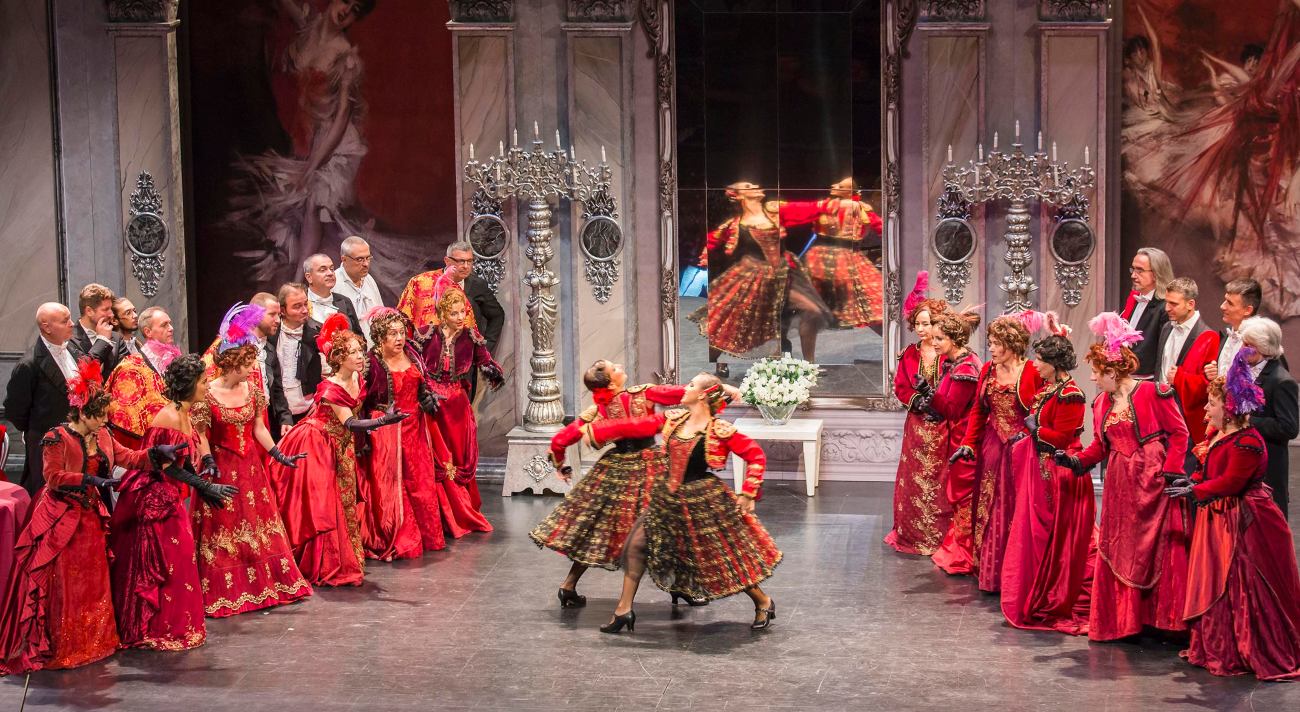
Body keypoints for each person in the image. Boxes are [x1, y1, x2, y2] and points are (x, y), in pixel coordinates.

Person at [0, 358, 185, 673]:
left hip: (89, 518)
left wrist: (154, 454)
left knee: (92, 580)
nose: (104, 421)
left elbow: (128, 457)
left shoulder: (102, 436)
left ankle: (94, 642)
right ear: (83, 413)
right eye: (100, 416)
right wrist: (89, 480)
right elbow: (53, 477)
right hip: (61, 517)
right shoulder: (56, 438)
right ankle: (65, 644)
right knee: (66, 582)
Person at [584, 373, 780, 633]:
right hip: (666, 497)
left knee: (718, 557)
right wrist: (593, 430)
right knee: (635, 547)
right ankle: (623, 610)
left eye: (691, 385)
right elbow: (635, 426)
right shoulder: (674, 420)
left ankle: (762, 600)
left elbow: (755, 456)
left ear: (702, 395)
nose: (685, 388)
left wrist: (748, 492)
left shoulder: (718, 430)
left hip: (700, 499)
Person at [532, 361, 725, 607]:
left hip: (615, 468)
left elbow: (562, 438)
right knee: (672, 525)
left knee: (600, 529)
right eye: (614, 368)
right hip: (651, 466)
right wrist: (714, 391)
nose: (620, 365)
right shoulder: (642, 393)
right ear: (611, 383)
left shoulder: (596, 410)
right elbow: (679, 393)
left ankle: (568, 585)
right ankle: (680, 586)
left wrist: (560, 464)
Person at [1054, 312, 1190, 642]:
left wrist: (1171, 470)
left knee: (1154, 547)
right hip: (1119, 482)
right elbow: (1101, 447)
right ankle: (1125, 620)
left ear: (1113, 372)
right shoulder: (1101, 402)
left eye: (1097, 373)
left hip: (1151, 477)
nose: (1093, 379)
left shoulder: (1153, 392)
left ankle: (1160, 620)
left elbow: (1180, 433)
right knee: (1121, 547)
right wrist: (1075, 461)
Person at [1169, 352, 1300, 680]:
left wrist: (1196, 491)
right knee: (1217, 580)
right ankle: (1217, 643)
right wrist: (1193, 480)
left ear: (1229, 409)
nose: (1207, 408)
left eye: (1212, 403)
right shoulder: (1218, 434)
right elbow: (1210, 470)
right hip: (1219, 514)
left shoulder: (1247, 441)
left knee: (1241, 584)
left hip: (1245, 521)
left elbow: (1232, 482)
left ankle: (1244, 647)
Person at [190, 303, 312, 617]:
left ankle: (265, 585)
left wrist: (278, 454)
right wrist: (208, 461)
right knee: (224, 528)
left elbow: (258, 428)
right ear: (232, 364)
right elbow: (201, 434)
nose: (251, 369)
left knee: (258, 525)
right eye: (246, 364)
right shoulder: (208, 395)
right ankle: (228, 589)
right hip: (221, 468)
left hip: (250, 469)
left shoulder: (253, 390)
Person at [266, 315, 406, 586]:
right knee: (324, 504)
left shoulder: (357, 377)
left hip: (342, 444)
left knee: (345, 499)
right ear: (340, 358)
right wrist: (383, 422)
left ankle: (345, 556)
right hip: (318, 443)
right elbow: (350, 422)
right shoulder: (331, 389)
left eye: (360, 351)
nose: (360, 356)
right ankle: (324, 561)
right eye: (353, 352)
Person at [110, 355, 238, 650]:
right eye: (203, 382)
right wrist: (205, 486)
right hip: (153, 498)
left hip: (169, 495)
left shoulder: (184, 413)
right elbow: (167, 467)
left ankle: (176, 626)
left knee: (180, 559)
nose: (206, 386)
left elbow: (183, 462)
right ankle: (157, 628)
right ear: (189, 385)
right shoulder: (169, 416)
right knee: (168, 562)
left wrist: (204, 488)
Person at [1000, 314, 1096, 636]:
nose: (1035, 365)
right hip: (1041, 470)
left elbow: (1064, 438)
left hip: (1058, 473)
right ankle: (1035, 588)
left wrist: (1035, 429)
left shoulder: (1071, 394)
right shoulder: (1050, 388)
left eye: (1040, 360)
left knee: (1053, 535)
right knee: (1036, 533)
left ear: (1054, 364)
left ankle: (1052, 595)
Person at [948, 313, 1044, 593]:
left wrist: (1028, 436)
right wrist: (968, 443)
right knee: (989, 505)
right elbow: (979, 411)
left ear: (1012, 344)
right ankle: (991, 570)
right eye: (990, 342)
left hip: (1021, 448)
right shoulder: (988, 369)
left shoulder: (1031, 371)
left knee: (1016, 505)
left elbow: (1040, 411)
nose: (990, 348)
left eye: (996, 343)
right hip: (992, 446)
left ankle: (1017, 572)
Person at [688, 182, 832, 366]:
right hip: (754, 279)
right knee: (735, 327)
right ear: (738, 195)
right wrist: (705, 255)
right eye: (748, 186)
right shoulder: (735, 224)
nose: (756, 185)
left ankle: (809, 363)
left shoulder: (773, 210)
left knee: (812, 311)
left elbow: (806, 209)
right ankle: (715, 361)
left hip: (784, 274)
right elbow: (713, 240)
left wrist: (830, 204)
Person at [358, 307, 460, 557]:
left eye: (401, 332)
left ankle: (427, 535)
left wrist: (428, 400)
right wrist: (366, 433)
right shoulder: (372, 363)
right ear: (380, 337)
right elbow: (361, 401)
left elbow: (421, 387)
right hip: (386, 432)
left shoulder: (412, 354)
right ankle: (401, 537)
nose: (399, 338)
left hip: (415, 428)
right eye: (393, 334)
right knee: (392, 484)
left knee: (420, 482)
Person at [3, 303, 114, 494]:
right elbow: (15, 411)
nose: (72, 324)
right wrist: (39, 430)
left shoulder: (72, 347)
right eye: (65, 321)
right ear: (47, 327)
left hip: (81, 441)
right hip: (50, 446)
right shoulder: (28, 365)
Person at [419, 289, 504, 517]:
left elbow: (485, 360)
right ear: (443, 314)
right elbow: (413, 362)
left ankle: (460, 507)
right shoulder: (426, 335)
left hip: (456, 405)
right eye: (454, 313)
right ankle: (438, 510)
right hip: (433, 406)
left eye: (463, 312)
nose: (460, 317)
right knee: (435, 455)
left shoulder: (471, 337)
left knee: (457, 454)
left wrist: (491, 371)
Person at [885, 272, 952, 556]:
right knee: (914, 477)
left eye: (928, 323)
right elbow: (900, 386)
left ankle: (941, 536)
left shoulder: (948, 352)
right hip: (916, 425)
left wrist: (939, 404)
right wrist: (917, 401)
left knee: (941, 477)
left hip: (943, 425)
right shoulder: (908, 354)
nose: (922, 329)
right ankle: (912, 534)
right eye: (918, 324)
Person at [778, 178, 885, 330]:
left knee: (835, 289)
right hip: (841, 254)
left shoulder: (833, 205)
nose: (834, 185)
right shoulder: (855, 207)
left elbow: (801, 210)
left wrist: (779, 208)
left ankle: (833, 318)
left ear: (849, 191)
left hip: (832, 254)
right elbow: (882, 227)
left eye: (840, 185)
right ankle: (834, 318)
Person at [928, 311, 985, 576]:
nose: (934, 343)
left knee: (964, 494)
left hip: (967, 440)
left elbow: (952, 409)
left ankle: (966, 552)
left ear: (954, 339)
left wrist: (929, 395)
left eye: (940, 338)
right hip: (957, 435)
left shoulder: (966, 369)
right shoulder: (954, 362)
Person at [398, 241, 505, 358]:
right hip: (425, 355)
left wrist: (485, 348)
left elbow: (497, 315)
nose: (466, 266)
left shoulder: (477, 285)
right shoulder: (421, 283)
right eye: (461, 261)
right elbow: (402, 318)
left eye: (470, 261)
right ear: (447, 261)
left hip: (463, 357)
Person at [1238, 316, 1298, 516]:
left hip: (1268, 465)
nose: (1242, 349)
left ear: (1263, 348)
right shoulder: (1247, 371)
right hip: (1246, 460)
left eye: (1248, 345)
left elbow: (1288, 428)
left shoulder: (1281, 381)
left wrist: (1249, 420)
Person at [1156, 278, 1219, 465]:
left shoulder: (1208, 336)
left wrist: (1179, 378)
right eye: (1167, 302)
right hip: (1161, 410)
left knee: (1184, 470)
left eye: (1173, 304)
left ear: (1190, 304)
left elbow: (1209, 385)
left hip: (1187, 417)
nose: (1167, 308)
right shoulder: (1166, 328)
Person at [105, 307, 181, 449]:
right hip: (141, 446)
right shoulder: (130, 367)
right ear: (148, 332)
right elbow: (123, 415)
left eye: (170, 323)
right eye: (164, 325)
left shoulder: (174, 361)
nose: (171, 328)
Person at [267, 283, 323, 434]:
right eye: (297, 306)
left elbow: (334, 371)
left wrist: (321, 400)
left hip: (309, 411)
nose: (304, 310)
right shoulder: (270, 335)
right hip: (276, 413)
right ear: (283, 310)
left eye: (305, 304)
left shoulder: (318, 333)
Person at [1119, 247, 1173, 379]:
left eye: (1140, 271)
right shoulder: (1135, 300)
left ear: (1156, 273)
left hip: (1146, 382)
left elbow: (1163, 354)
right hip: (1126, 378)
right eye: (1133, 269)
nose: (1133, 275)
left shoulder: (1165, 307)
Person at [333, 235, 385, 346]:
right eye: (359, 259)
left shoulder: (369, 279)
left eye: (368, 258)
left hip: (376, 349)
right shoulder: (334, 284)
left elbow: (381, 315)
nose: (366, 264)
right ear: (344, 259)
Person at [1207, 278, 1262, 380]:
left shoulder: (1263, 345)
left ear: (1248, 310)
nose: (1222, 306)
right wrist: (1215, 377)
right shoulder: (1225, 335)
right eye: (1225, 300)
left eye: (1230, 303)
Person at [70, 283, 125, 373]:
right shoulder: (69, 339)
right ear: (89, 311)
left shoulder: (117, 338)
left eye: (111, 309)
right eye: (105, 309)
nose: (111, 315)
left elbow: (126, 372)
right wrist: (102, 341)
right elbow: (83, 372)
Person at [303, 253, 362, 334]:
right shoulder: (301, 302)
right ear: (309, 277)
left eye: (332, 269)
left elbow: (359, 336)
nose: (330, 273)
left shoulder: (344, 301)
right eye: (323, 270)